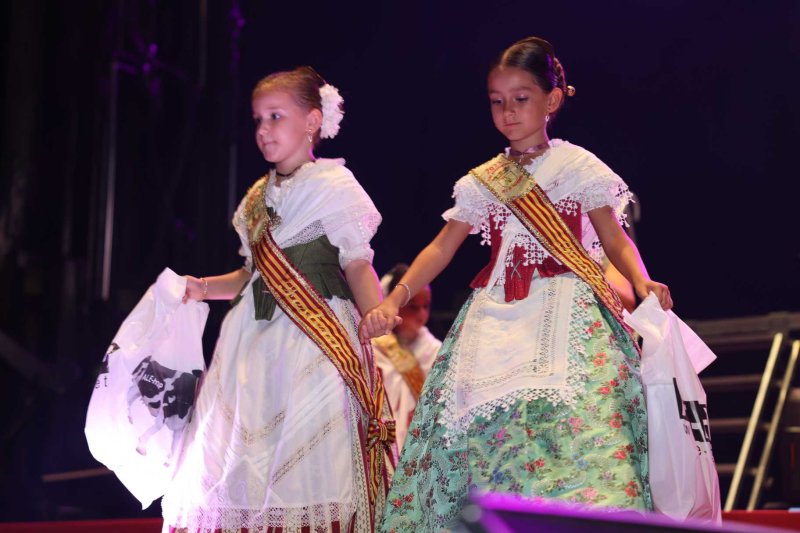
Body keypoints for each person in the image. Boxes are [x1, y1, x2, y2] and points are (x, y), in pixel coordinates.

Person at [361, 37, 672, 530]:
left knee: (581, 418)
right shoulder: (484, 179)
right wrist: (396, 296)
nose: (508, 112)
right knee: (469, 422)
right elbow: (442, 246)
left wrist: (642, 279)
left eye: (521, 99)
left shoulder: (579, 167)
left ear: (552, 100)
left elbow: (614, 239)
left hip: (569, 307)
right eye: (496, 101)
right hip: (496, 313)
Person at [162, 66, 394, 533]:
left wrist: (376, 308)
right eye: (257, 120)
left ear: (311, 122)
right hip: (253, 344)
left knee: (310, 452)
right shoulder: (254, 201)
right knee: (247, 456)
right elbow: (250, 275)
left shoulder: (334, 188)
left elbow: (356, 261)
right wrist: (203, 287)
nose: (263, 129)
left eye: (275, 116)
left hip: (314, 342)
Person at [372, 264, 441, 451]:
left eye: (426, 306)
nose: (422, 315)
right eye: (413, 307)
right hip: (383, 437)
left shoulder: (433, 348)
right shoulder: (375, 347)